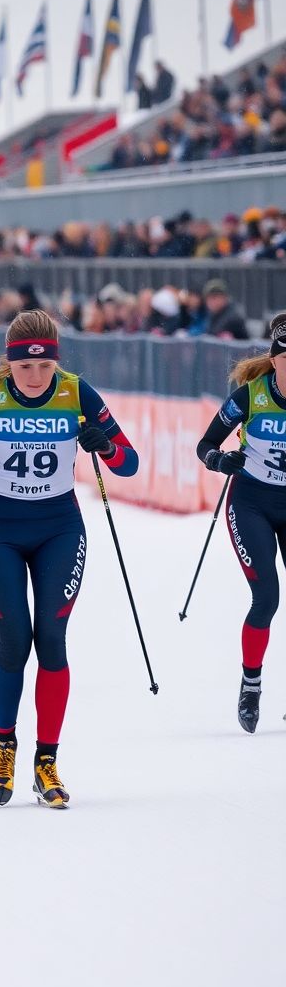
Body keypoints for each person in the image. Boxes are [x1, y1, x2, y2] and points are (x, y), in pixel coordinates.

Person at [0, 311, 139, 809]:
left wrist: (103, 445)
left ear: (56, 362)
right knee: (14, 638)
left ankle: (47, 760)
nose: (36, 377)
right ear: (11, 362)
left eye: (45, 368)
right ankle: (5, 744)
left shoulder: (76, 391)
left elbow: (128, 462)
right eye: (26, 368)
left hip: (58, 528)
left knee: (52, 638)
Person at [196, 312, 286, 733]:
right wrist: (220, 460)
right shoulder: (251, 396)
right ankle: (251, 684)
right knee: (266, 596)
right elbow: (206, 443)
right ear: (274, 362)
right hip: (251, 502)